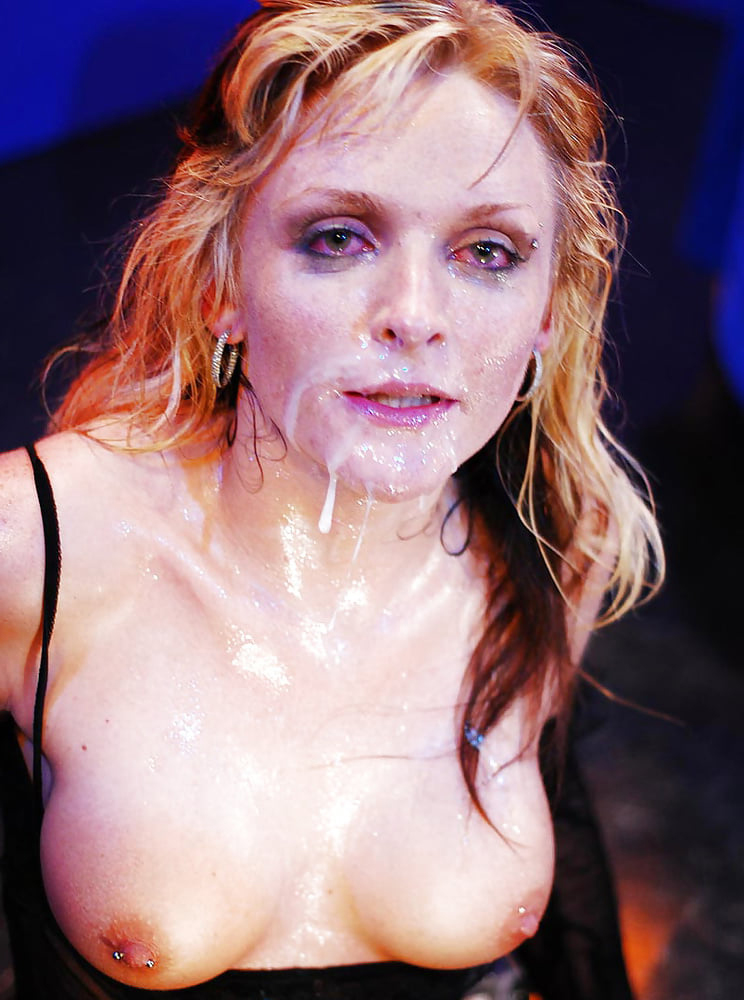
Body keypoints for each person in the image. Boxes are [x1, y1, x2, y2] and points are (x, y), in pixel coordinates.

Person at [0, 0, 662, 996]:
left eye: (488, 252)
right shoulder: (36, 546)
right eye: (339, 237)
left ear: (545, 317)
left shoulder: (560, 540)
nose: (414, 316)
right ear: (221, 281)